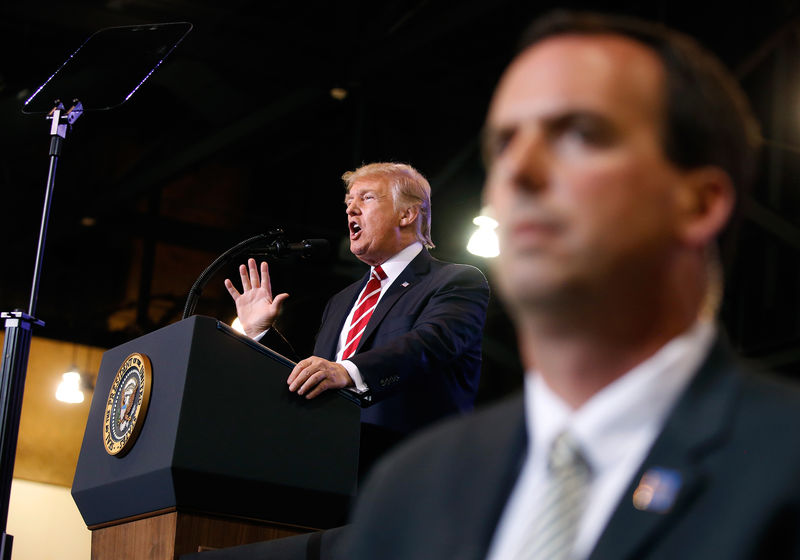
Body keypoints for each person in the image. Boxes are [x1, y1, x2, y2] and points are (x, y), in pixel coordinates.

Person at [340, 11, 800, 560]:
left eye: (581, 134)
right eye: (506, 143)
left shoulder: (785, 460)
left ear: (698, 202)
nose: (519, 171)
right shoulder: (408, 489)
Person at [224, 162, 489, 471]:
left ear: (407, 214)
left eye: (367, 198)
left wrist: (348, 371)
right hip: (329, 465)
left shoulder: (455, 280)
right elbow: (315, 380)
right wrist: (262, 333)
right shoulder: (341, 301)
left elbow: (430, 344)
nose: (351, 210)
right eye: (349, 201)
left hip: (413, 469)